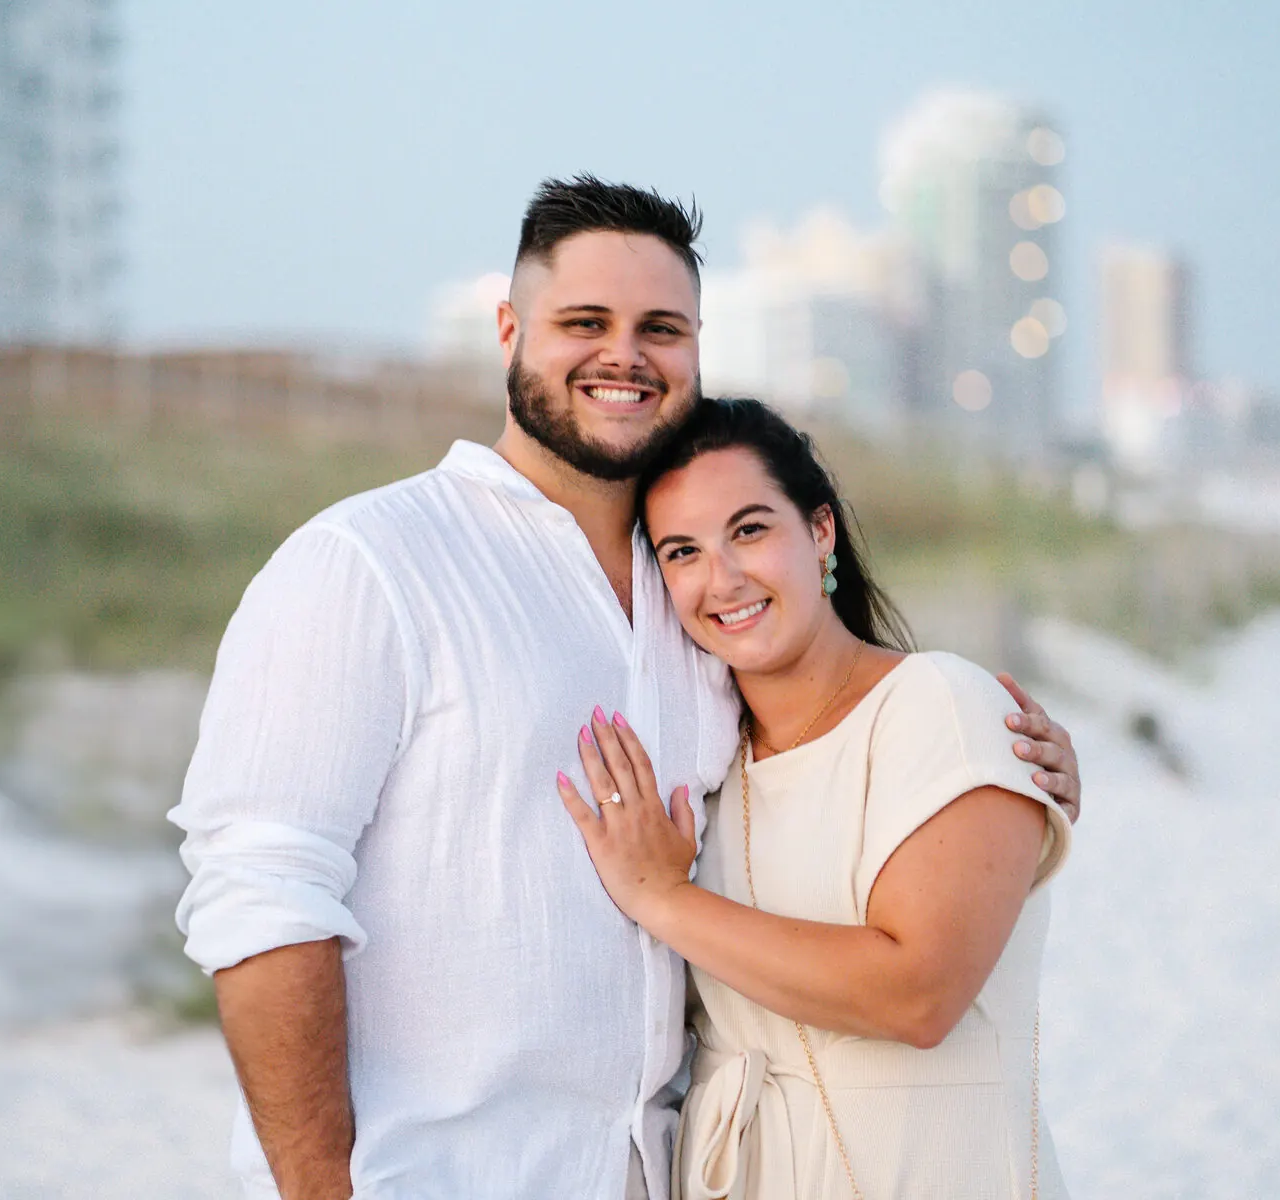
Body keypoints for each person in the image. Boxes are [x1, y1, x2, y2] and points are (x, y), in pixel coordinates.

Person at [168, 176, 1082, 1200]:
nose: (625, 356)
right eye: (584, 322)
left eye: (662, 327)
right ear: (510, 329)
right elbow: (263, 893)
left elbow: (829, 767)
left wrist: (1004, 773)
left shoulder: (693, 603)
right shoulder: (371, 562)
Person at [559, 396, 1075, 1199]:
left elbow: (920, 994)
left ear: (821, 531)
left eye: (751, 530)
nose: (721, 578)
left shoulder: (938, 706)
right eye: (682, 551)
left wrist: (663, 899)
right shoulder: (702, 765)